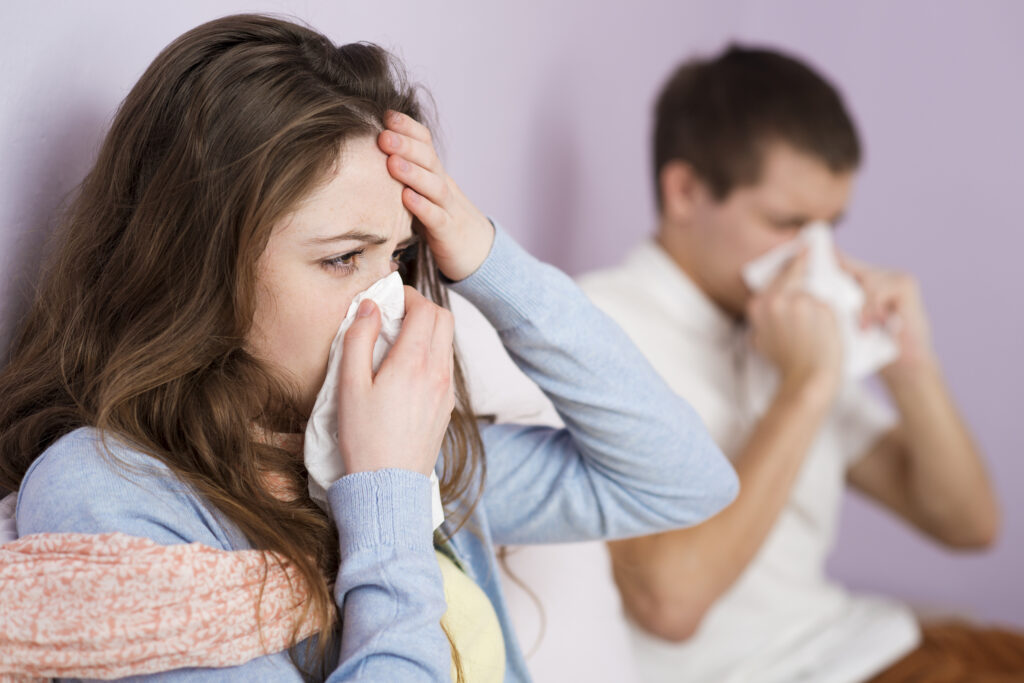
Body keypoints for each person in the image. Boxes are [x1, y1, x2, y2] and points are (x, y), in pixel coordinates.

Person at [0, 14, 739, 682]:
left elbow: (683, 479)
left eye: (398, 256)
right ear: (196, 267)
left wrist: (484, 256)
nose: (388, 302)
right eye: (341, 258)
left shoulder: (391, 448)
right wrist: (384, 496)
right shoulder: (110, 492)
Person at [575, 45, 1018, 682]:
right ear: (685, 191)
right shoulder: (599, 326)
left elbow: (969, 524)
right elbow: (669, 604)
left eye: (830, 226)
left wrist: (909, 363)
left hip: (865, 641)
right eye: (788, 223)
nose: (815, 256)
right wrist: (805, 387)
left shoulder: (778, 324)